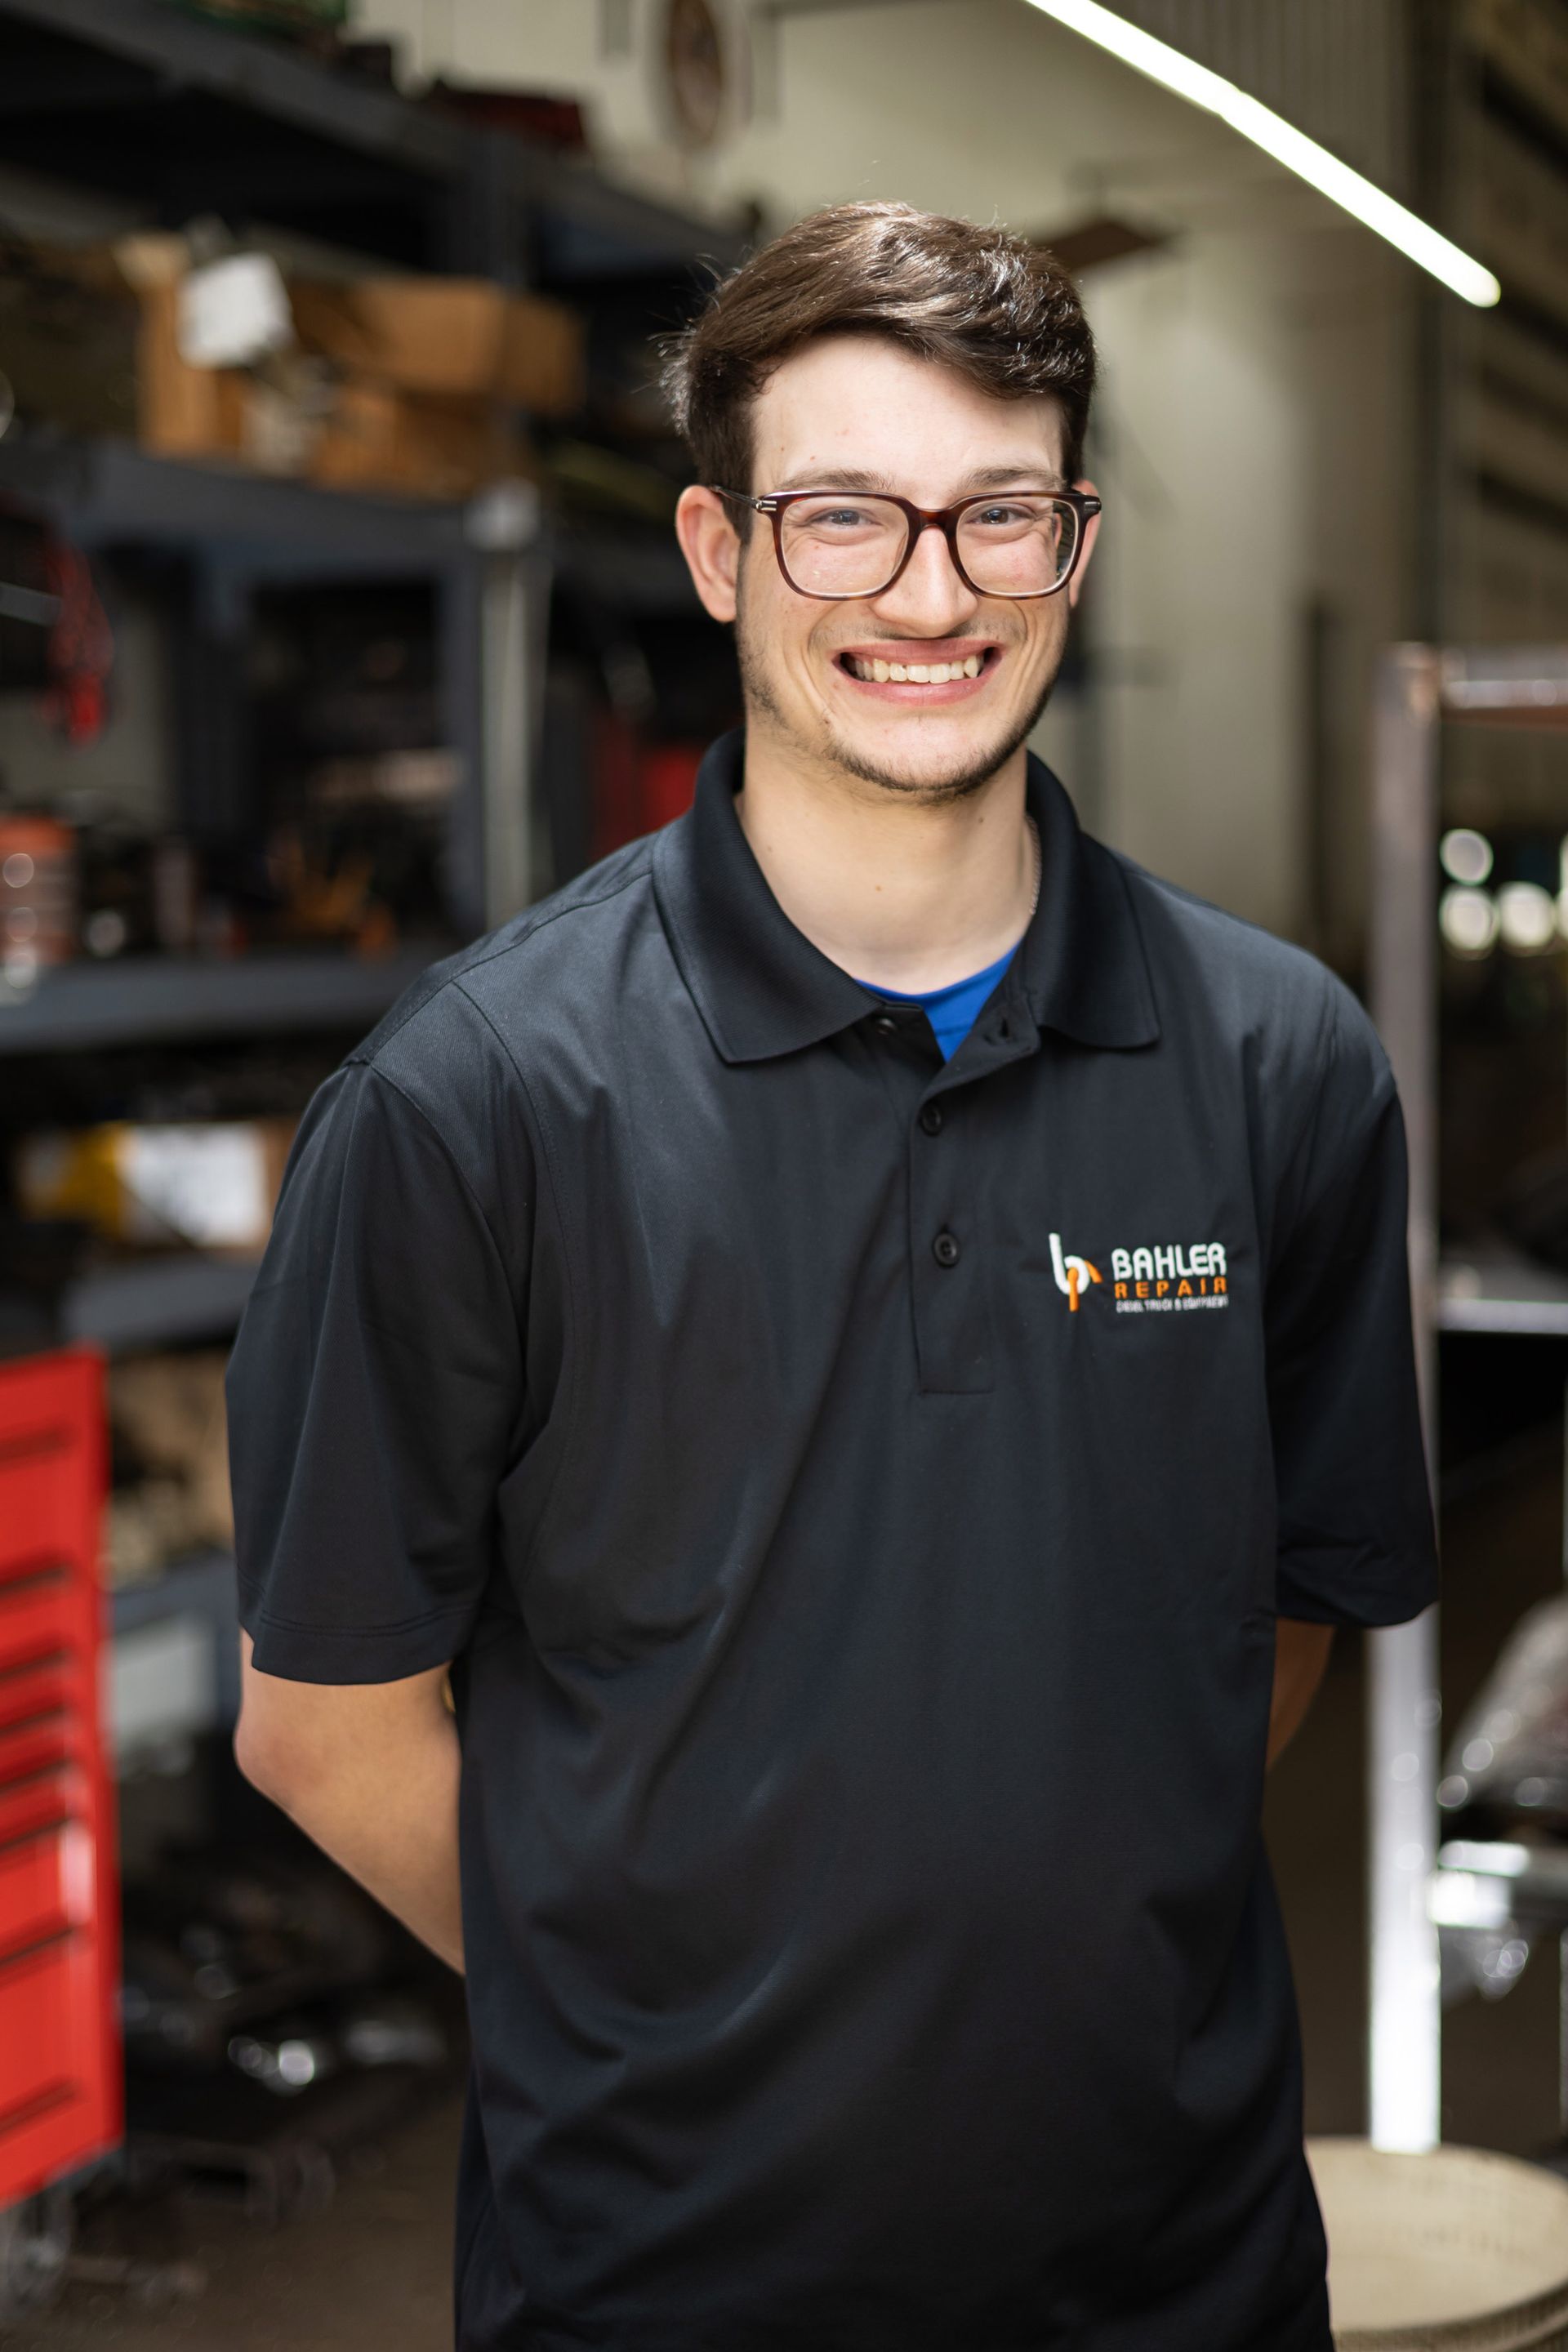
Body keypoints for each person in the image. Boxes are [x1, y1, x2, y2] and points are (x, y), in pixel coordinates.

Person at [227, 201, 1437, 2352]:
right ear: (715, 553)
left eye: (1001, 517)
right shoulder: (476, 1102)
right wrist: (663, 2038)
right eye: (845, 518)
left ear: (1074, 542)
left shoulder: (1282, 1067)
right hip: (662, 2294)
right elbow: (327, 1727)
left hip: (1183, 2284)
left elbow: (1265, 1635)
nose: (929, 593)